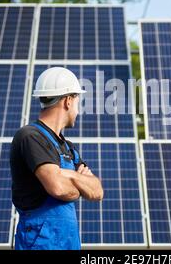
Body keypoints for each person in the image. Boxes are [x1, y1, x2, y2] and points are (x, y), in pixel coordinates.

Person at [10, 67, 104, 250]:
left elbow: (97, 190)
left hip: (68, 243)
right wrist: (78, 181)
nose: (78, 109)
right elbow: (59, 188)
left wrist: (65, 174)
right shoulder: (30, 136)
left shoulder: (68, 147)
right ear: (68, 101)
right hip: (40, 242)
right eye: (77, 100)